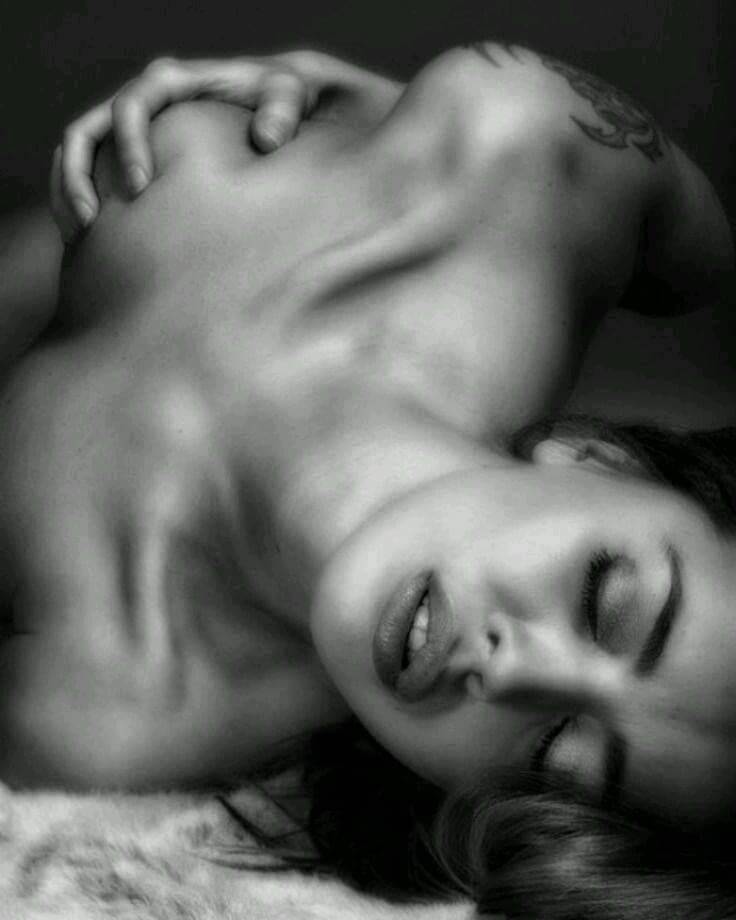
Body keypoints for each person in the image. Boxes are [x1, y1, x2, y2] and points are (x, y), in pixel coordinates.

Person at [2, 41, 735, 917]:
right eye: (604, 601)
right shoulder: (513, 146)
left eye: (553, 757)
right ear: (601, 460)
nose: (511, 671)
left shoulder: (108, 715)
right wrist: (373, 122)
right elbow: (708, 266)